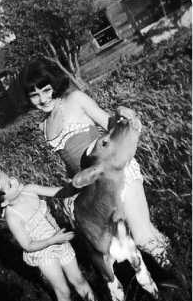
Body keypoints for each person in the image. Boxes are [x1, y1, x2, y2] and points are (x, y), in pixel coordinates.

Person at [18, 59, 170, 267]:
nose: (43, 99)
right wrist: (73, 188)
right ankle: (176, 260)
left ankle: (181, 281)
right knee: (144, 232)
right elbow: (70, 161)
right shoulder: (43, 126)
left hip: (115, 173)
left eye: (46, 90)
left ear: (55, 84)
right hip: (95, 188)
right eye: (34, 95)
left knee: (142, 238)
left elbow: (108, 123)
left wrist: (120, 114)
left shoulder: (75, 99)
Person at [0, 168, 97, 301]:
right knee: (63, 290)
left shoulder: (30, 190)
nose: (14, 179)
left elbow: (62, 192)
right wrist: (53, 240)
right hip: (43, 253)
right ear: (4, 202)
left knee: (78, 278)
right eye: (10, 185)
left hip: (61, 241)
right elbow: (27, 245)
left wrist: (79, 185)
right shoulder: (13, 217)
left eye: (10, 177)